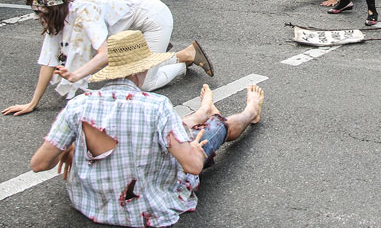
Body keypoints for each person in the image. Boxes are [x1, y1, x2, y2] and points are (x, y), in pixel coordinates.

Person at [29, 29, 264, 227]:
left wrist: (69, 148)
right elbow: (192, 166)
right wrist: (193, 150)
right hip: (144, 207)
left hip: (90, 204)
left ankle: (201, 112)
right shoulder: (156, 106)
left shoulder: (79, 105)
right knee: (213, 129)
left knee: (157, 130)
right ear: (139, 69)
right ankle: (248, 112)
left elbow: (39, 164)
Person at [2, 0, 214, 116]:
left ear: (54, 10)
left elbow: (105, 54)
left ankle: (185, 58)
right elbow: (48, 61)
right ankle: (180, 55)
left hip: (154, 19)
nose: (40, 19)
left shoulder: (85, 12)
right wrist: (32, 102)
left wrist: (76, 74)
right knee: (127, 73)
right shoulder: (59, 18)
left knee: (144, 83)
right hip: (129, 24)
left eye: (42, 14)